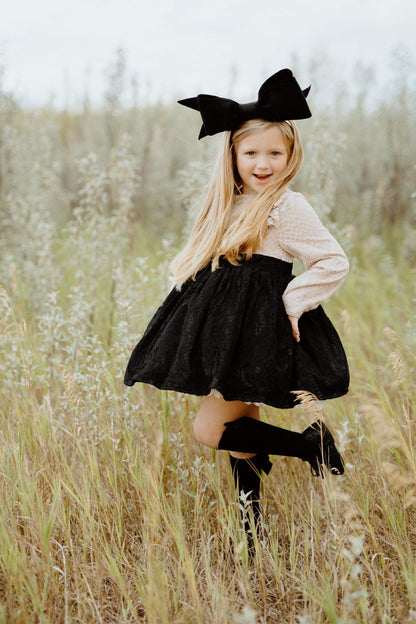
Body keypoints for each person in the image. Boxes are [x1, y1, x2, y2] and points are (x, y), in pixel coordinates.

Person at [124, 69, 349, 548]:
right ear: (232, 155)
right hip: (225, 332)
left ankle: (312, 444)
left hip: (256, 331)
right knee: (242, 436)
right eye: (251, 153)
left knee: (210, 430)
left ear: (290, 156)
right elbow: (209, 265)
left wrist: (293, 300)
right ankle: (253, 536)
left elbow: (333, 260)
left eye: (274, 153)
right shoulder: (228, 201)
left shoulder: (287, 207)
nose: (262, 163)